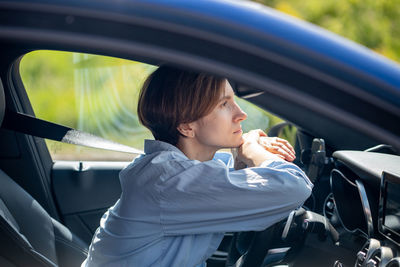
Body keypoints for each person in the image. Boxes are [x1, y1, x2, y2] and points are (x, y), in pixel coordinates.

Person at [82, 65, 313, 267]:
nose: (241, 114)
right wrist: (251, 151)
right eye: (224, 104)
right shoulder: (169, 182)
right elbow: (296, 187)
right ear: (186, 127)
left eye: (234, 101)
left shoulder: (180, 171)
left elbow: (231, 178)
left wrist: (245, 151)